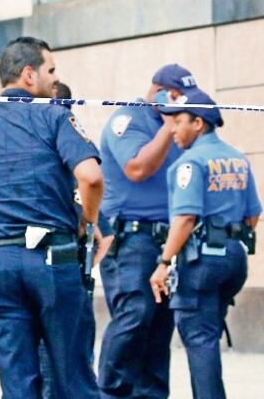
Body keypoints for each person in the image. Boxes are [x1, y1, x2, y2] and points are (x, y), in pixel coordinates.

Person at [0, 37, 104, 399]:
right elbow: (90, 176)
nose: (54, 80)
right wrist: (86, 221)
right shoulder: (54, 114)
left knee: (18, 385)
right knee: (74, 381)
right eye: (50, 70)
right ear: (29, 74)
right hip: (54, 261)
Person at [150, 88, 261, 399]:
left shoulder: (189, 164)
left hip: (201, 264)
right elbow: (253, 215)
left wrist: (163, 263)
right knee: (208, 336)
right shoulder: (237, 159)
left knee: (200, 342)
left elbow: (185, 218)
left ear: (198, 123)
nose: (172, 129)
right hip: (234, 259)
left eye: (178, 121)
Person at [97, 64, 196, 398]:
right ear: (159, 92)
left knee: (158, 326)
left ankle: (151, 394)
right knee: (135, 314)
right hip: (131, 239)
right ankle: (108, 389)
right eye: (178, 97)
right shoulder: (129, 120)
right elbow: (137, 168)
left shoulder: (181, 125)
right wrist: (167, 129)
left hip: (167, 240)